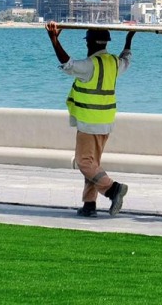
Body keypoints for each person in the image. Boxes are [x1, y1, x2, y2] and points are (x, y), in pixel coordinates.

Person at [46, 21, 134, 218]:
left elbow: (67, 64)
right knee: (93, 164)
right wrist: (128, 40)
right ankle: (89, 204)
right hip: (106, 122)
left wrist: (54, 40)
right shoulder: (113, 63)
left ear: (90, 43)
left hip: (89, 122)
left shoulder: (89, 66)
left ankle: (113, 189)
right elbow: (126, 59)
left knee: (84, 163)